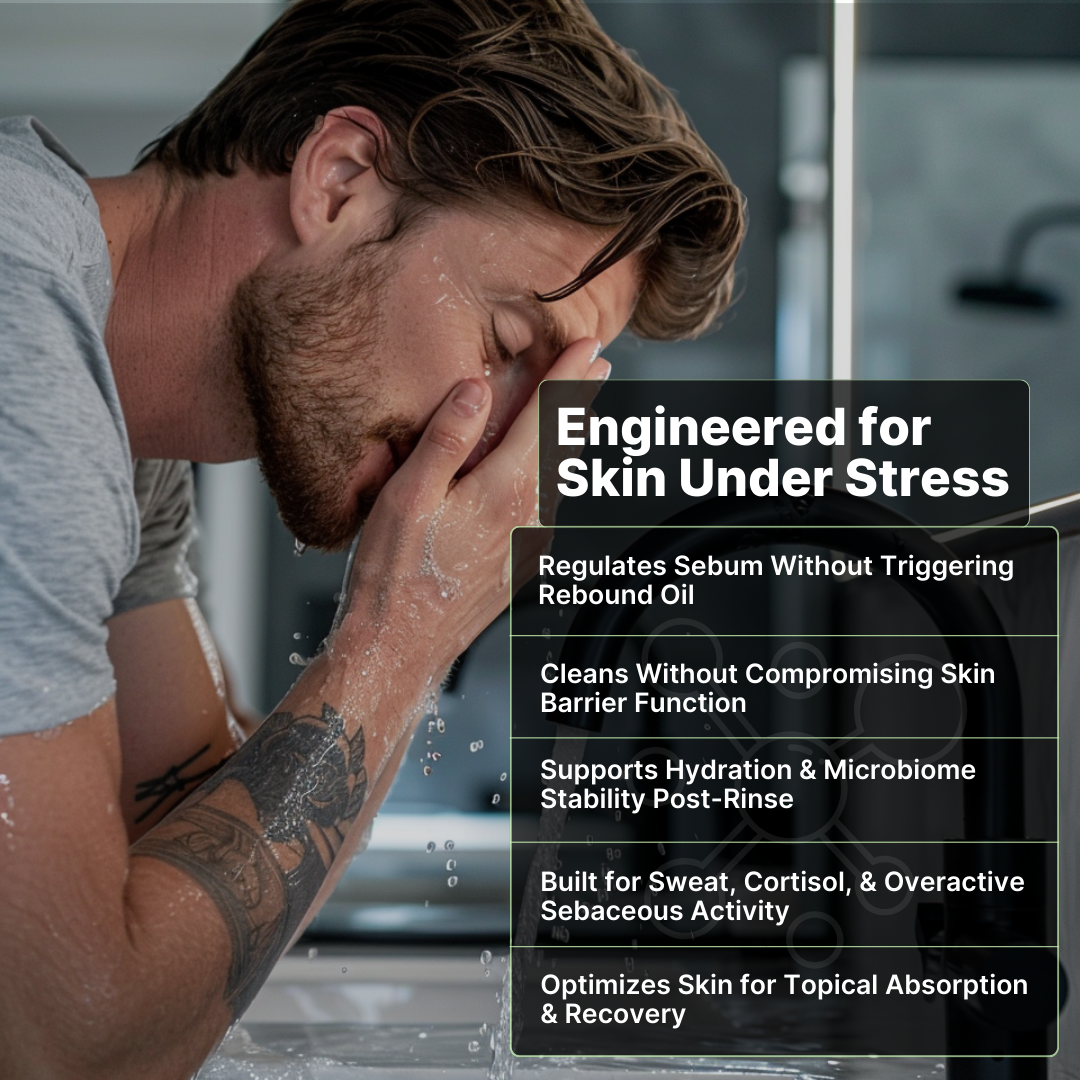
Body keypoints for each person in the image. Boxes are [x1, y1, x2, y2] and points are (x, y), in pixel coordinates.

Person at [0, 0, 743, 1075]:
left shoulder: (117, 427)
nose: (487, 445)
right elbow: (70, 1039)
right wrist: (406, 630)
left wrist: (415, 632)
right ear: (341, 180)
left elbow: (189, 867)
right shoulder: (20, 338)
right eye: (506, 342)